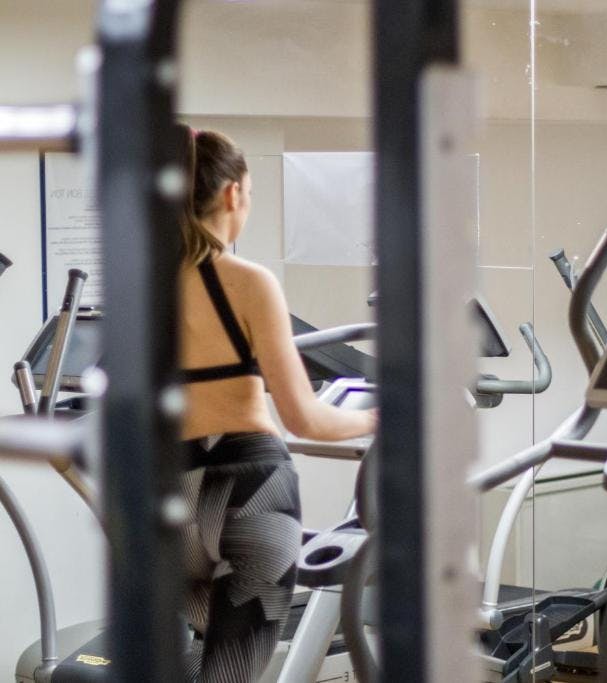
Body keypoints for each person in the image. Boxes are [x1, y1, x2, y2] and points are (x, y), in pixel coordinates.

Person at [177, 127, 377, 682]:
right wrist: (377, 418)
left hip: (171, 493)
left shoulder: (137, 287)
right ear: (231, 194)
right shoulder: (247, 282)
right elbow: (304, 419)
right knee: (230, 672)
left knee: (198, 665)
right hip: (251, 492)